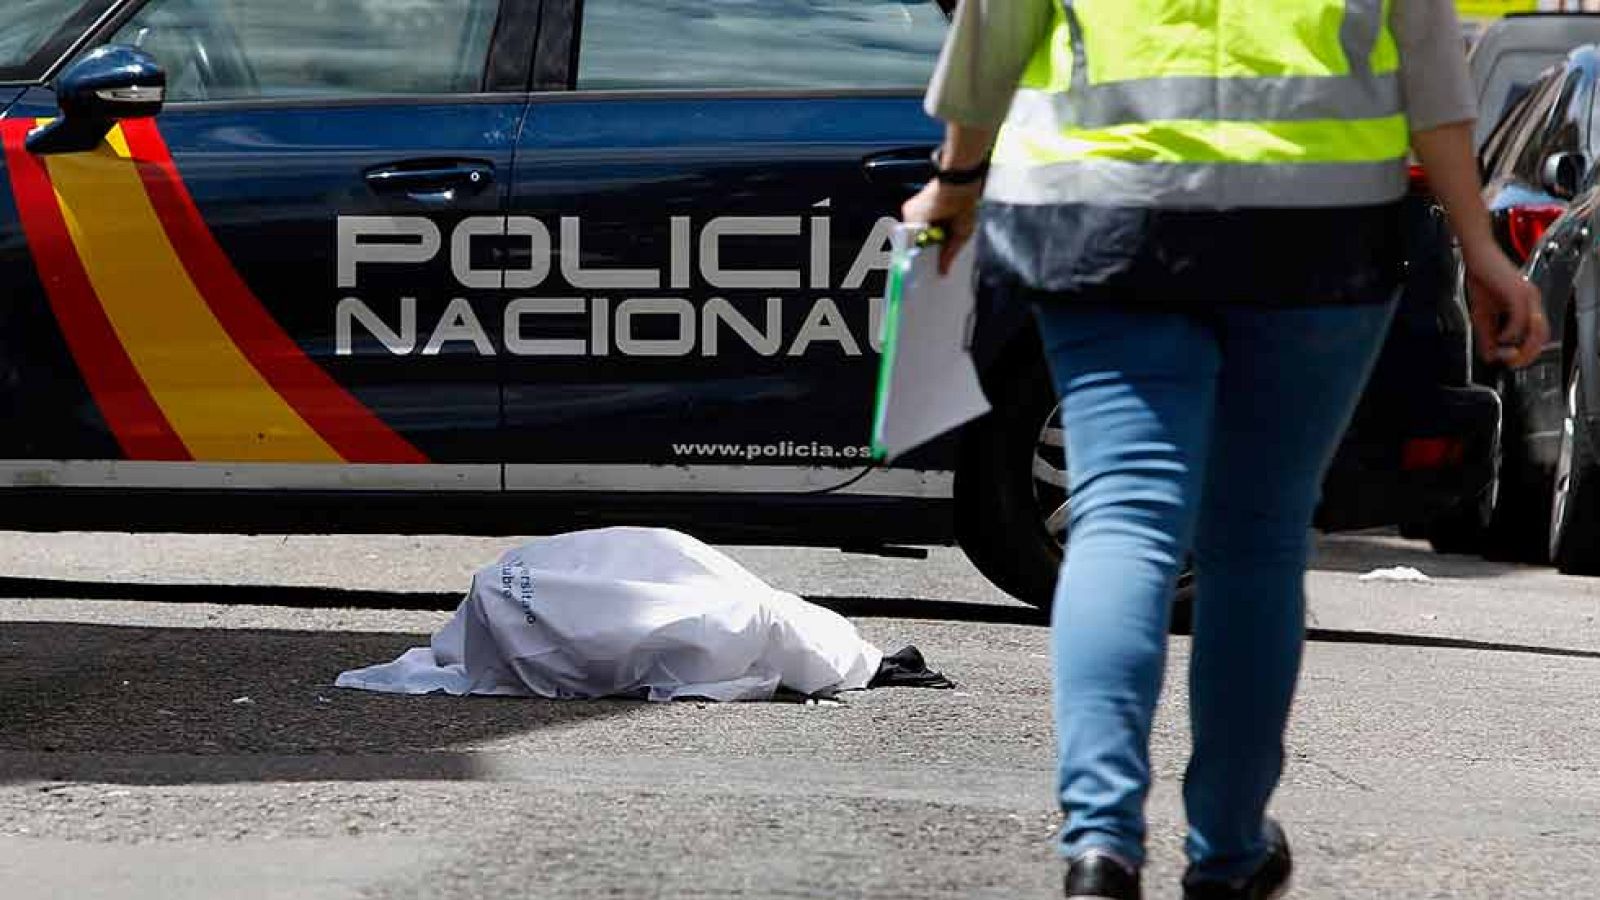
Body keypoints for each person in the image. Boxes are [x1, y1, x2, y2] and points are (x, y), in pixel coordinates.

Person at [903, 2, 1547, 898]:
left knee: (1124, 517)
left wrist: (956, 182)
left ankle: (1101, 846)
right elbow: (1434, 78)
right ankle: (1230, 849)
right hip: (1314, 231)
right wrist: (1482, 248)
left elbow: (993, 38)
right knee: (1260, 537)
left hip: (1103, 216)